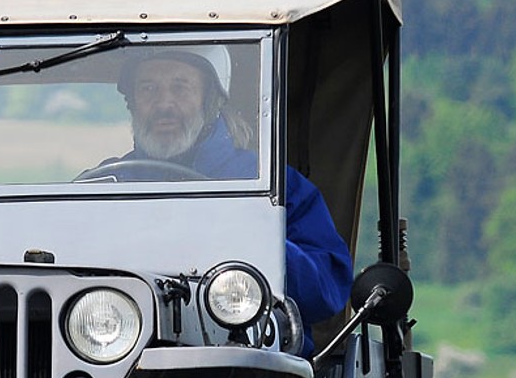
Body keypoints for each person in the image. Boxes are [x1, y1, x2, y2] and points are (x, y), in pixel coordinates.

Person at [112, 48, 353, 331]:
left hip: (243, 355)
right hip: (117, 343)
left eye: (180, 87)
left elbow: (327, 290)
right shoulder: (107, 184)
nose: (164, 103)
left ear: (209, 101)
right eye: (148, 88)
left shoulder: (274, 183)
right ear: (132, 103)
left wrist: (248, 237)